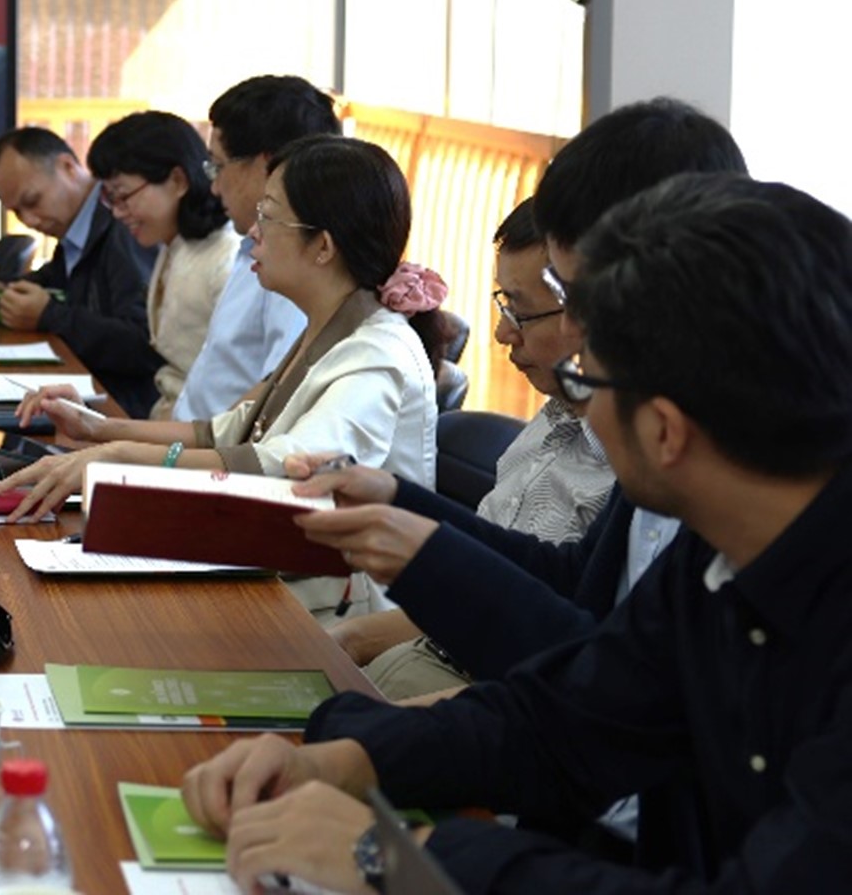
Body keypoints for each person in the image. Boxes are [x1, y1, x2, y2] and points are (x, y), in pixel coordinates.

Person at [180, 174, 852, 894]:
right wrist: (341, 760)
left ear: (665, 431)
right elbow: (566, 719)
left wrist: (390, 855)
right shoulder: (714, 555)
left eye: (585, 381)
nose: (581, 412)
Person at [286, 100, 748, 687]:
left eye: (574, 294)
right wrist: (403, 505)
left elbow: (607, 682)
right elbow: (576, 582)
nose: (574, 328)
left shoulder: (699, 452)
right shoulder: (636, 412)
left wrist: (426, 554)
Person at [0, 137, 447, 526]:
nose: (253, 232)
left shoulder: (376, 353)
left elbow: (289, 468)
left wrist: (122, 456)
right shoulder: (329, 327)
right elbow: (228, 431)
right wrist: (99, 428)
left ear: (323, 247)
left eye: (269, 216)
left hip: (329, 594)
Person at [326, 198, 614, 701]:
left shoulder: (633, 476)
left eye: (522, 312)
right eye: (504, 306)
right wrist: (350, 639)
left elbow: (570, 670)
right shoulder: (554, 416)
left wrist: (376, 730)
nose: (503, 333)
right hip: (422, 656)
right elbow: (489, 585)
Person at [172, 74, 340, 422]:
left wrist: (149, 446)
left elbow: (275, 399)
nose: (214, 187)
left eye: (218, 167)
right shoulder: (254, 243)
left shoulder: (297, 266)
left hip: (213, 452)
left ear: (270, 166)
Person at [0, 125, 160, 417]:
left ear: (67, 167)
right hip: (89, 397)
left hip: (123, 413)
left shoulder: (126, 226)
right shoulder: (78, 228)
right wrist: (12, 288)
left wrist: (49, 315)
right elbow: (63, 275)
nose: (29, 220)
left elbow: (144, 344)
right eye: (16, 212)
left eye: (32, 201)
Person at [83, 111, 236, 419]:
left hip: (196, 434)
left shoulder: (224, 260)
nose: (117, 212)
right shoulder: (176, 247)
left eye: (122, 195)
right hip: (170, 424)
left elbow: (229, 394)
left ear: (177, 181)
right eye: (110, 199)